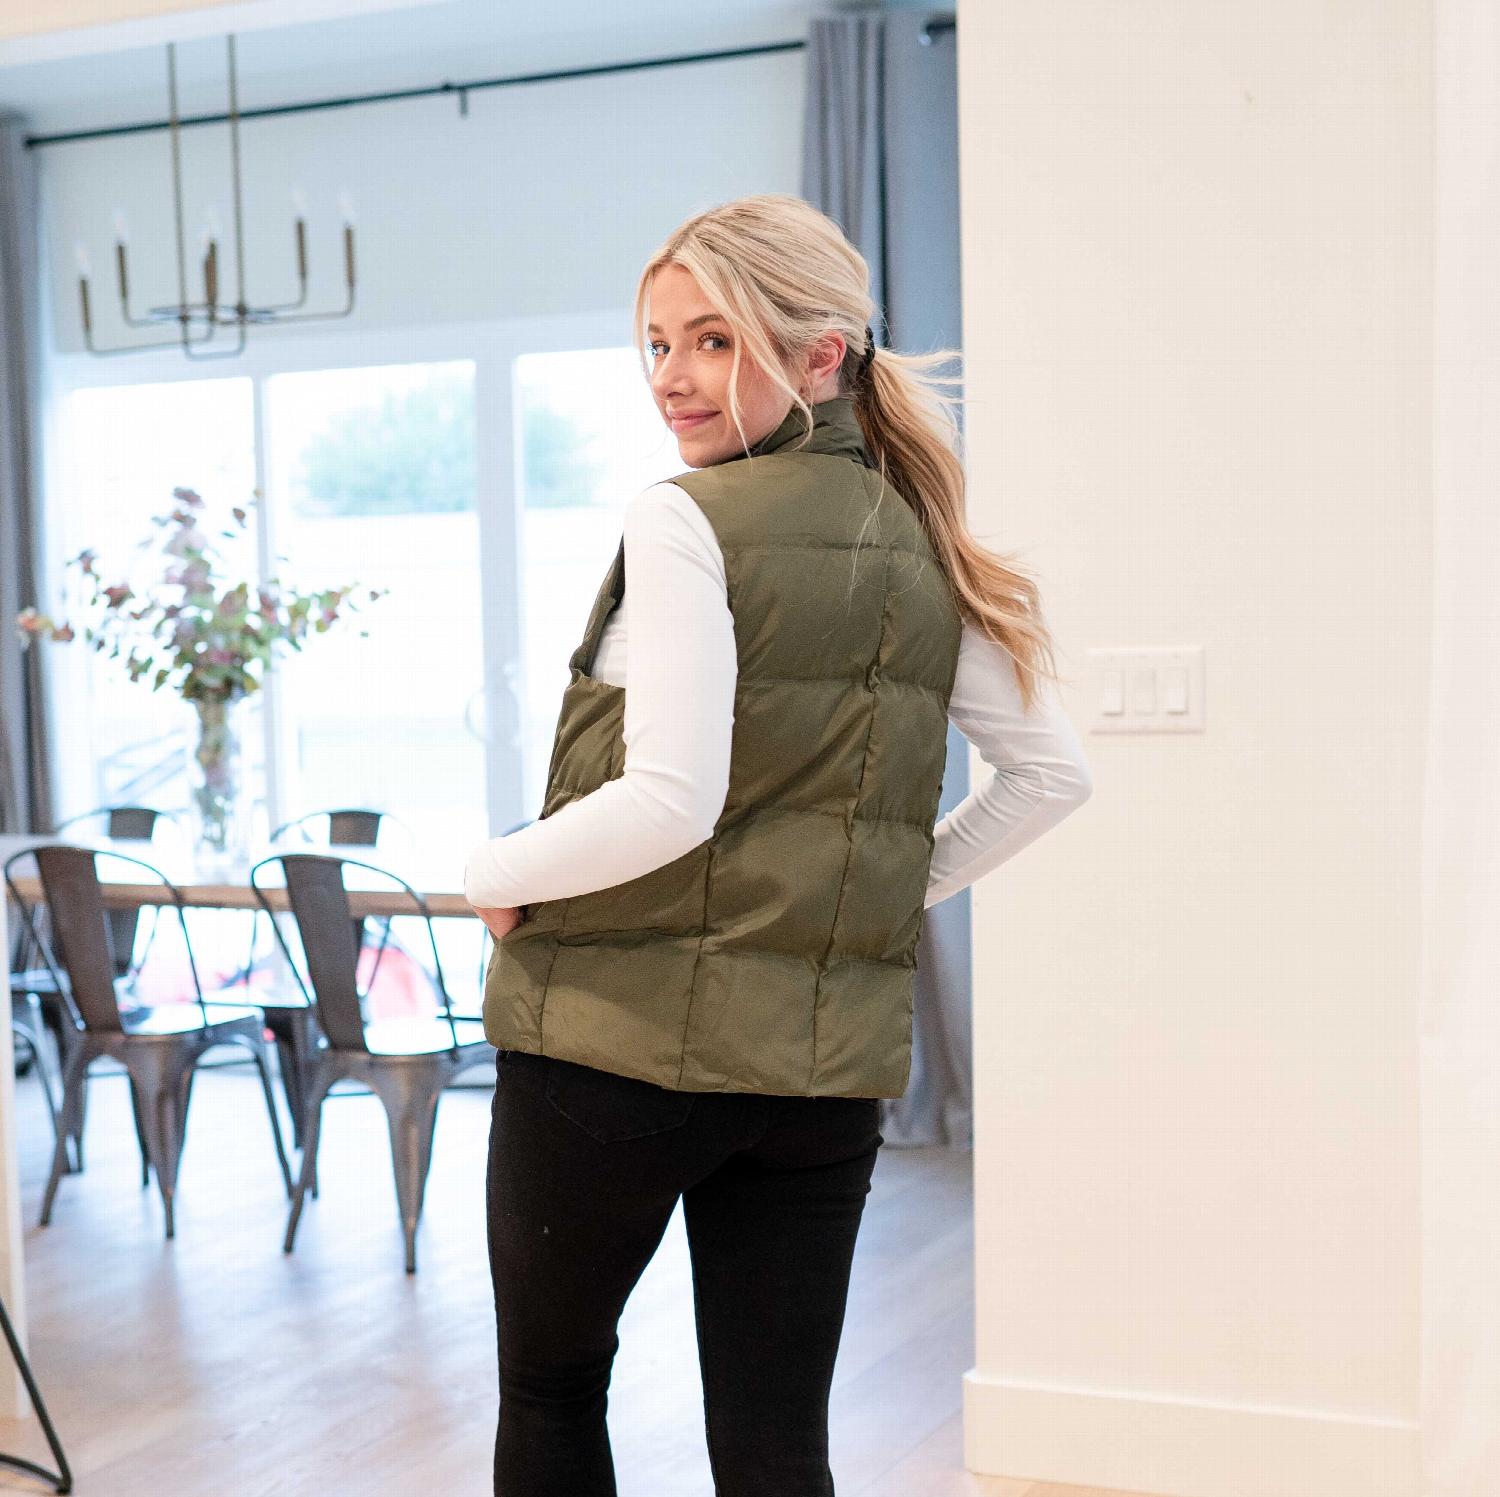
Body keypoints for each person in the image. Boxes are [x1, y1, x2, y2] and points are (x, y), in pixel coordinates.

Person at [463, 193, 1093, 1496]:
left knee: (552, 1387)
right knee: (774, 1445)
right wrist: (860, 894)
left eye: (711, 340)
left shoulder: (684, 519)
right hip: (816, 1083)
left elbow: (670, 799)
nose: (672, 381)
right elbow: (1049, 775)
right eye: (654, 344)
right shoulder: (923, 536)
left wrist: (490, 870)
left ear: (821, 355)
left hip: (609, 1051)